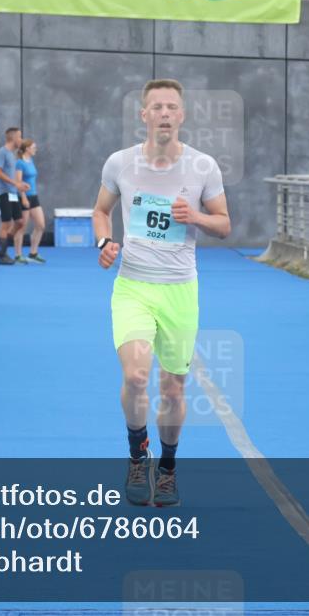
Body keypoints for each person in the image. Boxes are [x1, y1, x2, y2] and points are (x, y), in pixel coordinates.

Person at [92, 79, 230, 507]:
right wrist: (104, 242)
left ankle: (167, 468)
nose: (165, 113)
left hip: (179, 290)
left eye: (172, 106)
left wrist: (198, 218)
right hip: (133, 286)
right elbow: (101, 211)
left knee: (172, 389)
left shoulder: (204, 167)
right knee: (135, 376)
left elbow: (225, 225)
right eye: (157, 107)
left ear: (183, 115)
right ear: (144, 115)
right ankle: (138, 456)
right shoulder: (120, 163)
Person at [0, 127, 29, 265]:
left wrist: (20, 185)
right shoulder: (2, 152)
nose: (21, 140)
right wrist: (15, 183)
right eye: (20, 137)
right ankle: (3, 255)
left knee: (19, 222)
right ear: (13, 138)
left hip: (13, 194)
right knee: (6, 223)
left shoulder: (12, 155)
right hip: (4, 193)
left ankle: (2, 249)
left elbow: (12, 177)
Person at [14, 138, 46, 264]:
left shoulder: (30, 160)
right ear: (27, 148)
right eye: (33, 147)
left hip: (34, 196)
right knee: (22, 227)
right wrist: (23, 198)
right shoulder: (20, 163)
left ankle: (33, 252)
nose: (35, 149)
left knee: (40, 225)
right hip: (24, 197)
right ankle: (18, 255)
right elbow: (18, 182)